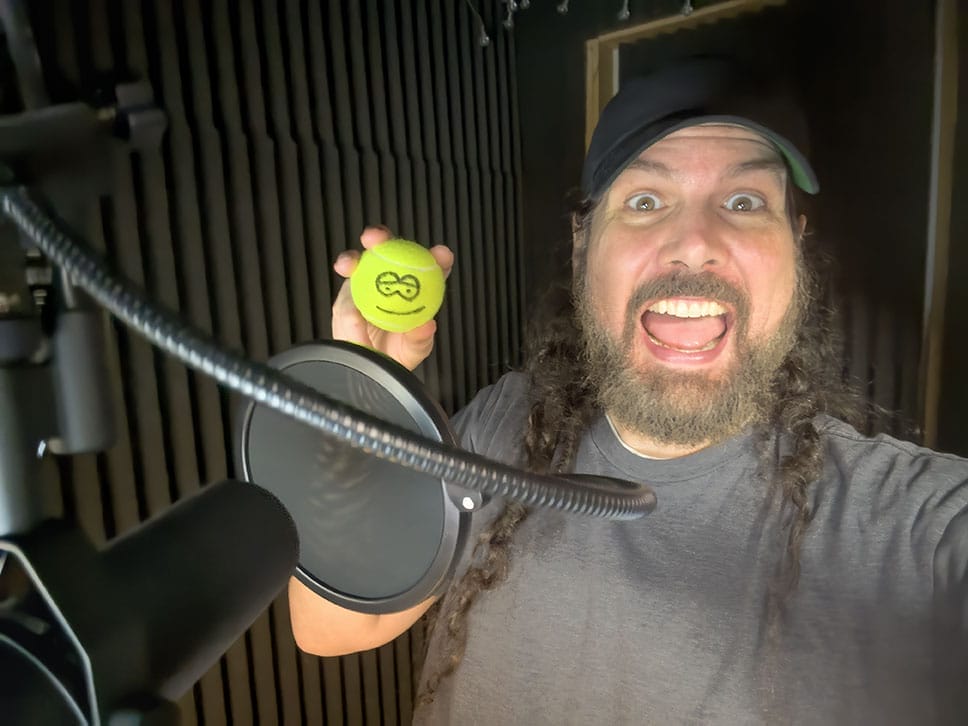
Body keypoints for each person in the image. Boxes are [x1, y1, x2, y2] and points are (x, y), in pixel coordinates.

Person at [289, 58, 968, 723]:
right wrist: (362, 387)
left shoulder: (915, 525)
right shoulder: (504, 420)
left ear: (796, 245)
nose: (694, 242)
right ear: (583, 243)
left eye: (743, 202)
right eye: (645, 201)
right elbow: (332, 626)